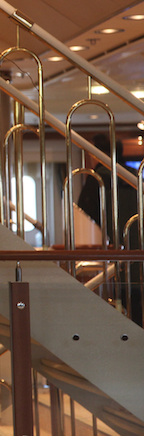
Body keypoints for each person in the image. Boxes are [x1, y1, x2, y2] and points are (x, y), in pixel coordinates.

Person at [76, 133, 141, 326]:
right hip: (138, 245)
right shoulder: (134, 176)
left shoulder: (97, 178)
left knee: (119, 298)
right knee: (136, 296)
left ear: (97, 153)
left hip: (116, 247)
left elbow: (85, 210)